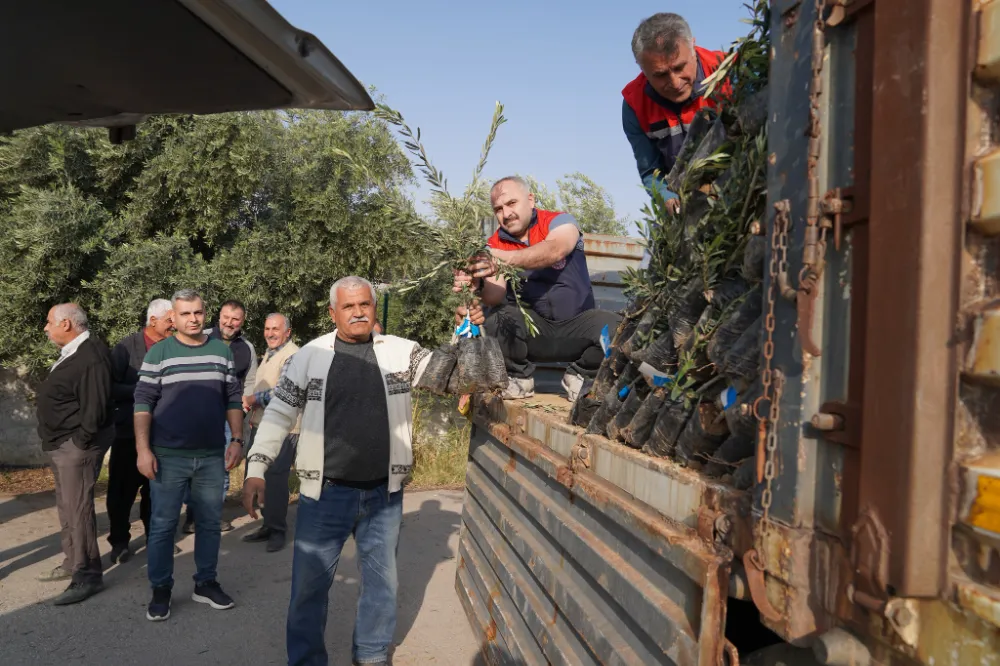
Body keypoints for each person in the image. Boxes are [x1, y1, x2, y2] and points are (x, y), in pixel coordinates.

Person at [243, 276, 454, 666]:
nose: (358, 312)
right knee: (308, 590)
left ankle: (371, 655)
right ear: (333, 313)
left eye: (364, 304)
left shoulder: (402, 352)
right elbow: (279, 413)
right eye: (349, 306)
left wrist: (470, 328)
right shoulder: (309, 356)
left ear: (373, 308)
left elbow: (448, 376)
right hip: (324, 494)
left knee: (381, 586)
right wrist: (256, 467)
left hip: (384, 495)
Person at [453, 176, 620, 401]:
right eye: (498, 209)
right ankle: (518, 378)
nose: (506, 213)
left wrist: (501, 259)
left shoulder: (560, 222)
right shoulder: (495, 244)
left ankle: (581, 376)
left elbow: (556, 249)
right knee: (496, 315)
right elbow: (495, 294)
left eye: (512, 203)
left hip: (578, 330)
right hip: (534, 335)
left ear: (530, 200)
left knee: (619, 328)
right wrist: (478, 285)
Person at [135, 289, 244, 622]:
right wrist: (142, 449)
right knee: (163, 526)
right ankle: (161, 589)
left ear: (204, 313)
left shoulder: (221, 352)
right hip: (168, 457)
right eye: (185, 314)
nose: (193, 319)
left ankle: (205, 583)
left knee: (209, 523)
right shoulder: (159, 353)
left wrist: (237, 439)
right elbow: (143, 403)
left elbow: (232, 398)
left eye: (198, 312)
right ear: (173, 317)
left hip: (211, 456)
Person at [35, 303, 115, 605]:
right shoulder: (74, 352)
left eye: (49, 322)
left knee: (78, 510)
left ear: (66, 324)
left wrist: (80, 443)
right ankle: (72, 561)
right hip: (61, 444)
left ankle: (88, 575)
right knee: (67, 507)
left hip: (76, 447)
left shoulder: (91, 356)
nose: (46, 328)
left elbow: (96, 408)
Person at [622, 13, 730, 203]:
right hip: (687, 202)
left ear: (693, 47)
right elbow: (650, 171)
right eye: (660, 75)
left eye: (680, 67)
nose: (675, 82)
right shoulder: (635, 105)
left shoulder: (730, 73)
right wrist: (666, 197)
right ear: (641, 66)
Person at [106, 298, 175, 564]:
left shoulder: (174, 347)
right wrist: (141, 392)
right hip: (128, 432)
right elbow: (109, 387)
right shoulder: (126, 347)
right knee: (121, 491)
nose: (173, 325)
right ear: (153, 320)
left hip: (163, 432)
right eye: (169, 320)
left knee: (155, 490)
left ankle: (155, 538)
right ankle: (119, 542)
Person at [182, 299, 257, 534]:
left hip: (228, 419)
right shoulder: (201, 337)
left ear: (242, 321)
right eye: (226, 317)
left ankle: (212, 515)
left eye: (235, 319)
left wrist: (242, 411)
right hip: (197, 416)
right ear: (219, 317)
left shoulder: (247, 348)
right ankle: (192, 517)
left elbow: (250, 382)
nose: (230, 323)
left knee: (222, 468)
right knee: (194, 467)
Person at [240, 313, 299, 552]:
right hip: (263, 424)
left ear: (288, 332)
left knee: (275, 479)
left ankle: (278, 530)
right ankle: (268, 524)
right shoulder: (271, 353)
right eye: (267, 328)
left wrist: (252, 399)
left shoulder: (292, 355)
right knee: (261, 477)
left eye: (276, 329)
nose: (270, 333)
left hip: (282, 428)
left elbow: (283, 392)